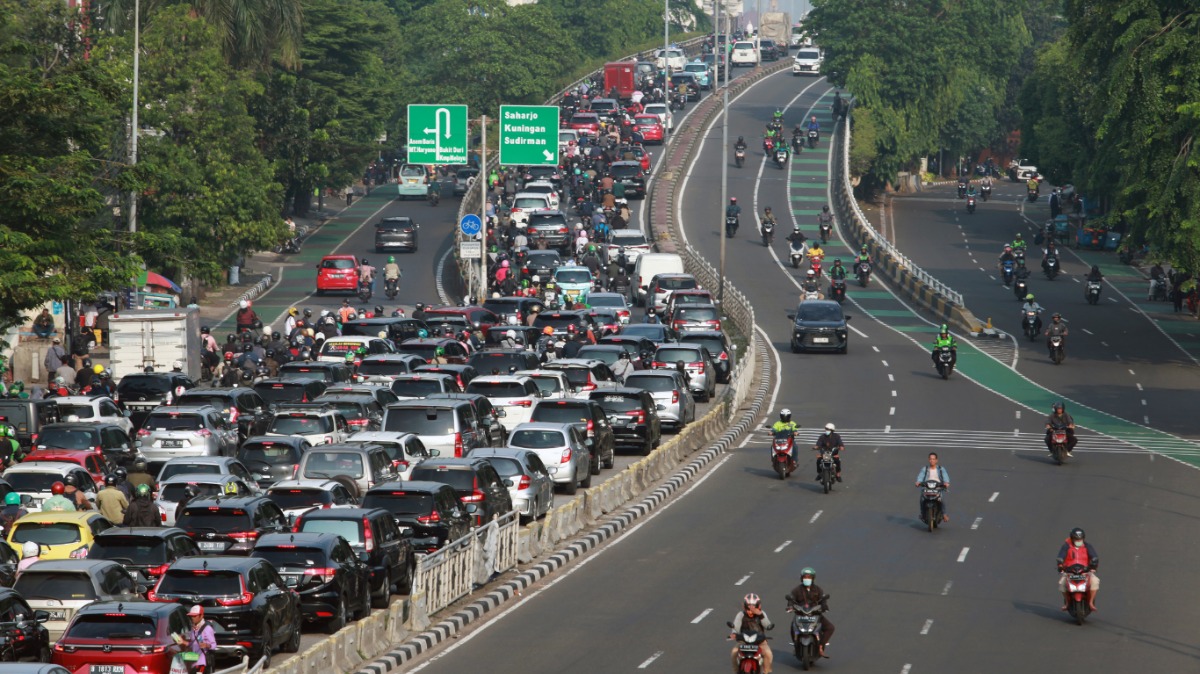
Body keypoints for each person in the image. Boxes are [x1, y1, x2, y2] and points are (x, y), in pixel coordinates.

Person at [788, 568, 834, 658]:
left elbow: (823, 600)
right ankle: (795, 645)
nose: (807, 578)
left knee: (830, 627)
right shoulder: (797, 590)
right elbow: (791, 599)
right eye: (805, 577)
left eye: (809, 577)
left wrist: (824, 606)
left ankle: (821, 646)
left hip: (815, 614)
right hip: (800, 615)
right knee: (793, 627)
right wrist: (790, 606)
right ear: (801, 578)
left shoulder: (818, 590)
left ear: (813, 578)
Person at [728, 594, 774, 674]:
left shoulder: (761, 614)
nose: (751, 610)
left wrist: (760, 615)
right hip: (743, 641)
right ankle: (736, 672)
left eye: (753, 607)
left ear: (758, 606)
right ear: (745, 607)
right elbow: (735, 627)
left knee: (768, 654)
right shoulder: (740, 615)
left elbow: (767, 625)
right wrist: (734, 634)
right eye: (749, 607)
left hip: (760, 642)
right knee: (734, 652)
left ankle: (766, 672)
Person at [1056, 528, 1099, 612]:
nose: (1078, 541)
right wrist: (1061, 566)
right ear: (1072, 538)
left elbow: (1094, 556)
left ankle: (1091, 603)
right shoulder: (1066, 546)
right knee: (1062, 583)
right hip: (1069, 571)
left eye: (1080, 539)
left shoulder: (1087, 546)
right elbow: (1061, 556)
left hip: (1085, 571)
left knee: (1095, 581)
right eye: (1076, 539)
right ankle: (1067, 603)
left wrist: (1093, 566)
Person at [175, 605, 218, 672]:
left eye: (194, 616)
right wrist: (183, 642)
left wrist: (206, 645)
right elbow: (192, 644)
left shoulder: (207, 629)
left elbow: (214, 645)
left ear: (201, 616)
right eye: (191, 616)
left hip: (203, 663)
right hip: (194, 662)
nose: (192, 618)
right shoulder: (194, 629)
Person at [915, 452, 950, 522]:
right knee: (922, 499)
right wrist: (918, 482)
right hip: (927, 488)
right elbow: (920, 476)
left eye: (934, 459)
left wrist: (946, 483)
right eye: (930, 459)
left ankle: (944, 514)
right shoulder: (925, 469)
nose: (932, 460)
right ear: (928, 460)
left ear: (936, 460)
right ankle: (922, 513)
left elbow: (945, 477)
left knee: (941, 499)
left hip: (937, 488)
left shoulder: (941, 469)